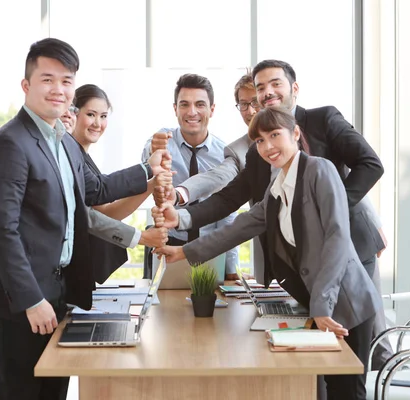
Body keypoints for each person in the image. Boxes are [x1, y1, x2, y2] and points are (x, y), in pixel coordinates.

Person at [153, 60, 392, 370]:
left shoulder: (322, 129)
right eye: (259, 89)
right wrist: (183, 243)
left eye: (274, 84)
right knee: (320, 374)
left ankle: (389, 376)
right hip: (305, 270)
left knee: (365, 354)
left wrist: (329, 211)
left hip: (350, 252)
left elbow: (368, 167)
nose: (266, 93)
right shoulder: (271, 174)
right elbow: (235, 207)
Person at [0, 38, 170, 400]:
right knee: (23, 392)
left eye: (66, 81)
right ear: (26, 85)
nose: (58, 89)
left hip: (58, 291)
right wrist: (31, 299)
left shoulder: (61, 141)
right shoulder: (10, 144)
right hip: (23, 300)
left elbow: (98, 190)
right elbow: (2, 231)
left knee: (53, 392)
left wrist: (147, 170)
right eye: (48, 79)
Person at [71, 84, 172, 283]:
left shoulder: (83, 157)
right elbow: (100, 194)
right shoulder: (71, 156)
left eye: (103, 116)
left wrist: (152, 183)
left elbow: (108, 212)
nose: (97, 123)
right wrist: (147, 169)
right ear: (73, 113)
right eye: (91, 114)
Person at [141, 73, 238, 276]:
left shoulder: (225, 155)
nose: (192, 112)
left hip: (208, 246)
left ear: (212, 109)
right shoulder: (160, 144)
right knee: (161, 305)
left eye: (200, 104)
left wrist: (230, 269)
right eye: (184, 104)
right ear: (175, 108)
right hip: (168, 240)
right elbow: (147, 185)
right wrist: (154, 154)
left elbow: (228, 214)